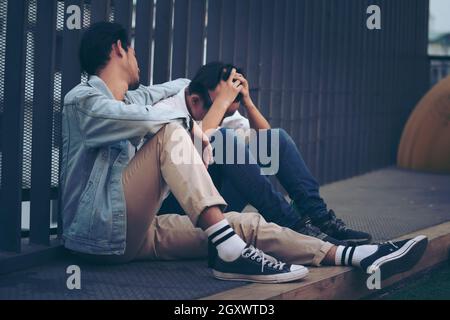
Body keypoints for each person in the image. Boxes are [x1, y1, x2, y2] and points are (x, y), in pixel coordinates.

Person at [60, 22, 428, 284]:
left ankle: (352, 254)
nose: (138, 59)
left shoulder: (141, 98)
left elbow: (263, 147)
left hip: (137, 234)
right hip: (98, 231)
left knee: (244, 223)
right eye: (134, 50)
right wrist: (202, 122)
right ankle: (234, 246)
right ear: (119, 48)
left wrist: (237, 99)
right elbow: (156, 115)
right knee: (178, 132)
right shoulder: (83, 100)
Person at [156, 62, 372, 245]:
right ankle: (293, 226)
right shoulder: (167, 111)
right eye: (218, 106)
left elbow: (269, 147)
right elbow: (194, 156)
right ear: (195, 99)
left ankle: (319, 219)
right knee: (221, 138)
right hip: (178, 207)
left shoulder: (220, 106)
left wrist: (247, 102)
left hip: (213, 201)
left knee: (277, 138)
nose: (221, 114)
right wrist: (221, 104)